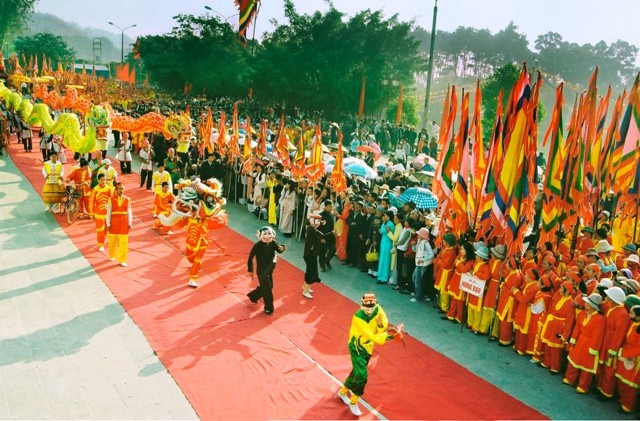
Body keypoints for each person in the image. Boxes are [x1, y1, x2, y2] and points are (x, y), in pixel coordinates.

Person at [337, 293, 403, 416]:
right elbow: (375, 337)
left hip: (368, 347)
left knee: (356, 372)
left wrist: (380, 325)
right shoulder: (358, 317)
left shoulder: (377, 309)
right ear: (362, 306)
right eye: (367, 308)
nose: (369, 311)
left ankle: (342, 391)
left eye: (371, 308)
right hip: (357, 347)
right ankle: (354, 401)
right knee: (362, 375)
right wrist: (392, 335)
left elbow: (383, 326)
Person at [247, 226, 286, 315]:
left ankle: (253, 296)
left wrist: (282, 248)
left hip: (270, 270)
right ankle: (269, 308)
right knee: (268, 291)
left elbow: (279, 250)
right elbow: (250, 257)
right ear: (260, 235)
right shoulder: (257, 246)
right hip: (262, 272)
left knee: (269, 287)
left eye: (269, 234)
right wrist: (250, 270)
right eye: (265, 234)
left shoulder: (272, 243)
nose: (268, 236)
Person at [106, 182, 133, 267]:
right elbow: (108, 212)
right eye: (119, 188)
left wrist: (130, 222)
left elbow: (129, 212)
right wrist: (108, 223)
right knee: (112, 241)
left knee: (123, 242)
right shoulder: (111, 199)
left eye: (122, 189)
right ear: (116, 189)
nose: (121, 190)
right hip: (114, 221)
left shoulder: (127, 199)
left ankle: (122, 259)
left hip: (124, 222)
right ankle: (112, 254)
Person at [302, 215, 326, 299]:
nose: (318, 223)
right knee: (311, 271)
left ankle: (305, 286)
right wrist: (332, 233)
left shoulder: (310, 228)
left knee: (310, 270)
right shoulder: (312, 230)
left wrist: (321, 224)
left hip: (310, 254)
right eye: (317, 221)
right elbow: (323, 235)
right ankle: (305, 291)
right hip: (310, 255)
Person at [89, 173, 114, 252]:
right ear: (98, 180)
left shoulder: (109, 188)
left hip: (107, 213)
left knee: (107, 229)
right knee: (100, 229)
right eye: (102, 180)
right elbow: (91, 202)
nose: (103, 181)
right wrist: (91, 213)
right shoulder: (95, 189)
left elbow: (112, 200)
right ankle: (101, 244)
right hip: (98, 213)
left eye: (105, 180)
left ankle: (106, 238)